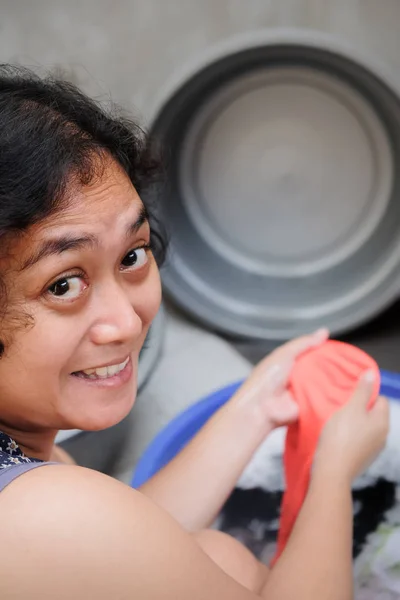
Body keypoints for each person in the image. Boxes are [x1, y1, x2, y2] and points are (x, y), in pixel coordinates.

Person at [0, 65, 388, 600]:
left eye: (133, 255)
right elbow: (87, 531)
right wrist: (331, 473)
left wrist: (256, 407)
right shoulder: (37, 513)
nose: (128, 321)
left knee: (215, 551)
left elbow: (126, 540)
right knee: (224, 555)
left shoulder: (34, 473)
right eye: (64, 285)